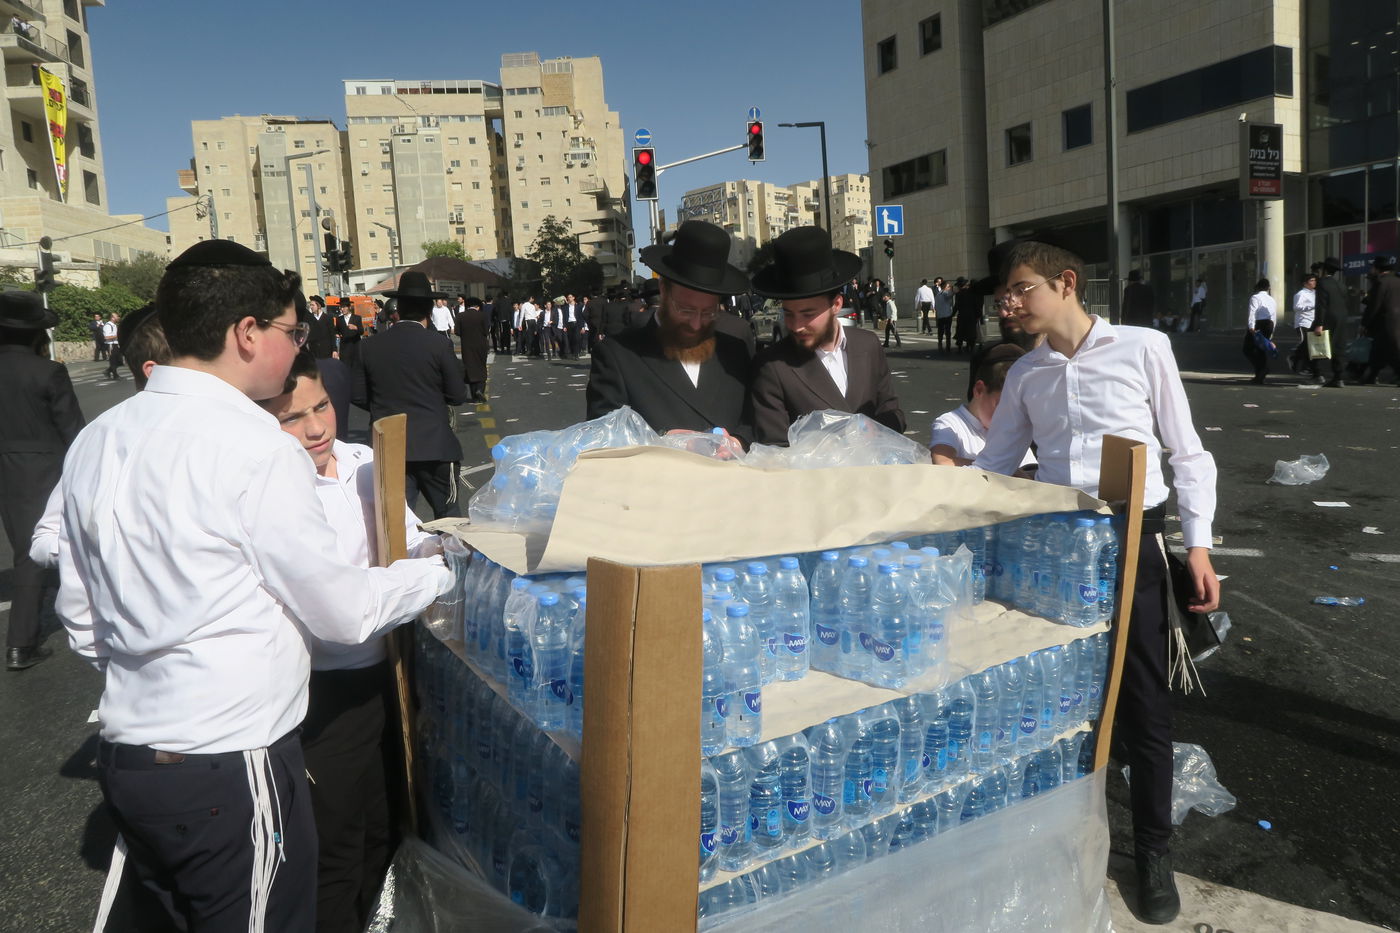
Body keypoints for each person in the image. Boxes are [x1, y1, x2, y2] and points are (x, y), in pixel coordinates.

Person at [55, 239, 451, 931]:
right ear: (246, 333)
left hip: (131, 757)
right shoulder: (254, 446)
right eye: (291, 332)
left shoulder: (99, 436)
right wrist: (434, 572)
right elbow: (340, 611)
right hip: (231, 764)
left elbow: (80, 615)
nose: (298, 345)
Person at [974, 238, 1219, 926]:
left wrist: (1197, 547)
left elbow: (1188, 451)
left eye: (1022, 289)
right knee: (1064, 697)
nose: (1011, 303)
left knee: (1144, 700)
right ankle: (1067, 836)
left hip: (1135, 538)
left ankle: (1152, 851)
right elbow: (995, 464)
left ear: (1067, 283)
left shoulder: (1143, 348)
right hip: (1059, 548)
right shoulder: (1025, 373)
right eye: (1005, 294)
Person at [257, 350, 437, 933]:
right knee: (334, 844)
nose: (315, 428)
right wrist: (415, 580)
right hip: (317, 692)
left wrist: (443, 552)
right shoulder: (269, 489)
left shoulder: (364, 462)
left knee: (386, 823)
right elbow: (334, 607)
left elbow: (413, 541)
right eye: (292, 417)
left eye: (322, 406)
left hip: (384, 673)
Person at [586, 220, 754, 441]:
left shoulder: (735, 350)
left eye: (708, 312)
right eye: (685, 310)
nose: (696, 324)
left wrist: (738, 442)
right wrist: (663, 440)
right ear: (664, 290)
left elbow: (754, 421)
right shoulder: (618, 355)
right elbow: (603, 436)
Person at [749, 226, 905, 446]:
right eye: (789, 314)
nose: (796, 326)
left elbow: (892, 411)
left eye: (808, 314)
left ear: (836, 304)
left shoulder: (867, 344)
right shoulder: (772, 366)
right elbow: (775, 446)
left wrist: (876, 430)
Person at [0, 291, 84, 670]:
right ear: (37, 334)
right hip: (43, 469)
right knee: (33, 554)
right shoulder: (48, 372)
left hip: (6, 467)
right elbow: (73, 430)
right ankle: (20, 644)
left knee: (22, 545)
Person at [353, 270, 469, 519]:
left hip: (390, 446)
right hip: (435, 445)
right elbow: (457, 395)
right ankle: (453, 559)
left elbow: (358, 395)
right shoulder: (439, 344)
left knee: (395, 525)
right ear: (429, 310)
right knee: (448, 518)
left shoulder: (369, 346)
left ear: (397, 309)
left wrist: (384, 405)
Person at [930, 343, 1033, 468]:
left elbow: (1030, 468)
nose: (1011, 416)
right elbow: (943, 462)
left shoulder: (1012, 430)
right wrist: (1006, 470)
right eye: (1002, 406)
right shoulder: (951, 424)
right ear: (979, 390)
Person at [1360, 254, 1400, 386]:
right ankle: (1371, 376)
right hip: (1396, 321)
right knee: (1379, 350)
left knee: (1390, 351)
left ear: (1377, 269)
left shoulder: (1381, 282)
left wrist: (1365, 323)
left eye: (1373, 268)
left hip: (1385, 322)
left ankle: (1372, 375)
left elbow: (1374, 305)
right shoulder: (1397, 281)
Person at [1312, 258, 1348, 388]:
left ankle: (1318, 374)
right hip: (1342, 318)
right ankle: (1338, 377)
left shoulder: (1322, 283)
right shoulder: (1341, 285)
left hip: (1328, 318)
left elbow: (1321, 305)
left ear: (1324, 270)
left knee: (1316, 344)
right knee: (1338, 346)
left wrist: (1319, 323)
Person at [455, 296, 491, 402]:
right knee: (481, 366)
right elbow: (486, 331)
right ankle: (480, 389)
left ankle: (474, 396)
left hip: (467, 346)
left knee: (470, 368)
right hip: (481, 346)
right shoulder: (483, 316)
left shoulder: (460, 316)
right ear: (478, 306)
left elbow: (457, 331)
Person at [1244, 278, 1277, 384]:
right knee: (1261, 349)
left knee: (1247, 348)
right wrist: (1272, 332)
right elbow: (1274, 316)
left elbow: (1252, 313)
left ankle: (1262, 369)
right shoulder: (1272, 299)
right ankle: (1259, 375)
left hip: (1259, 324)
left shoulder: (1255, 297)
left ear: (1258, 287)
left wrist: (1251, 327)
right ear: (1268, 288)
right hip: (1269, 324)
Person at [1287, 272, 1318, 380]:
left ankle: (1302, 364)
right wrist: (1312, 306)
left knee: (1310, 345)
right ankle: (1297, 360)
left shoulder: (1315, 293)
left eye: (1315, 280)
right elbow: (1297, 307)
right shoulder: (1300, 294)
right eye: (1311, 280)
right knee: (1305, 343)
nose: (1314, 282)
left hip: (1313, 322)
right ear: (1305, 283)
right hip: (1303, 322)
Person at [953, 277, 982, 353]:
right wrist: (979, 315)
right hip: (971, 315)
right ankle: (970, 347)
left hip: (962, 315)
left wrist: (952, 314)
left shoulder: (958, 294)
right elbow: (977, 305)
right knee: (971, 331)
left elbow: (956, 306)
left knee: (960, 331)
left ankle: (959, 347)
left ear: (959, 286)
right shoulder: (973, 293)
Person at [305, 295, 338, 359]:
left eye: (312, 305)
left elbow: (332, 335)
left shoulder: (328, 318)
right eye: (310, 305)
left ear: (318, 306)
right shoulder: (309, 318)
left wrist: (334, 350)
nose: (311, 307)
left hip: (326, 351)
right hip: (313, 352)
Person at [335, 300, 364, 372]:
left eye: (344, 307)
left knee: (357, 368)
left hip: (355, 346)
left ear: (349, 307)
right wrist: (337, 334)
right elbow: (336, 330)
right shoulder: (339, 319)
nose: (342, 309)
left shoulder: (357, 318)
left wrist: (356, 328)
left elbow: (361, 331)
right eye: (341, 307)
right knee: (345, 368)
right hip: (344, 348)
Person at [933, 276, 955, 351]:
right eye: (948, 286)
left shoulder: (937, 295)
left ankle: (940, 343)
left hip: (940, 315)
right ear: (945, 287)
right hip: (947, 315)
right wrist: (953, 290)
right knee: (948, 331)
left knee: (940, 331)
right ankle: (948, 345)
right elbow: (950, 295)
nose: (949, 288)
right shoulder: (945, 293)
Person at [102, 312, 123, 379]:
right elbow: (106, 337)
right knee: (113, 360)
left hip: (116, 344)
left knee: (120, 361)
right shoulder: (108, 325)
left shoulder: (114, 325)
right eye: (116, 316)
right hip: (110, 345)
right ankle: (115, 375)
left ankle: (108, 371)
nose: (118, 317)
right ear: (112, 318)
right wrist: (117, 336)